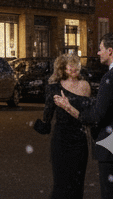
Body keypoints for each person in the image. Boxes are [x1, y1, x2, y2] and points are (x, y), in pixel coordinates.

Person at [56, 33, 113, 199]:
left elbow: (98, 116)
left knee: (112, 194)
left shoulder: (110, 77)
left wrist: (69, 108)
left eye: (100, 49)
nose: (98, 53)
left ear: (110, 51)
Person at [34, 53, 91, 199]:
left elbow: (89, 114)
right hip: (61, 141)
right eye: (71, 65)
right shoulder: (54, 88)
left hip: (79, 141)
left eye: (77, 64)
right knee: (61, 184)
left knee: (77, 184)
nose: (75, 68)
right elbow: (47, 117)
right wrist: (40, 125)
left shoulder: (85, 85)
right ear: (63, 68)